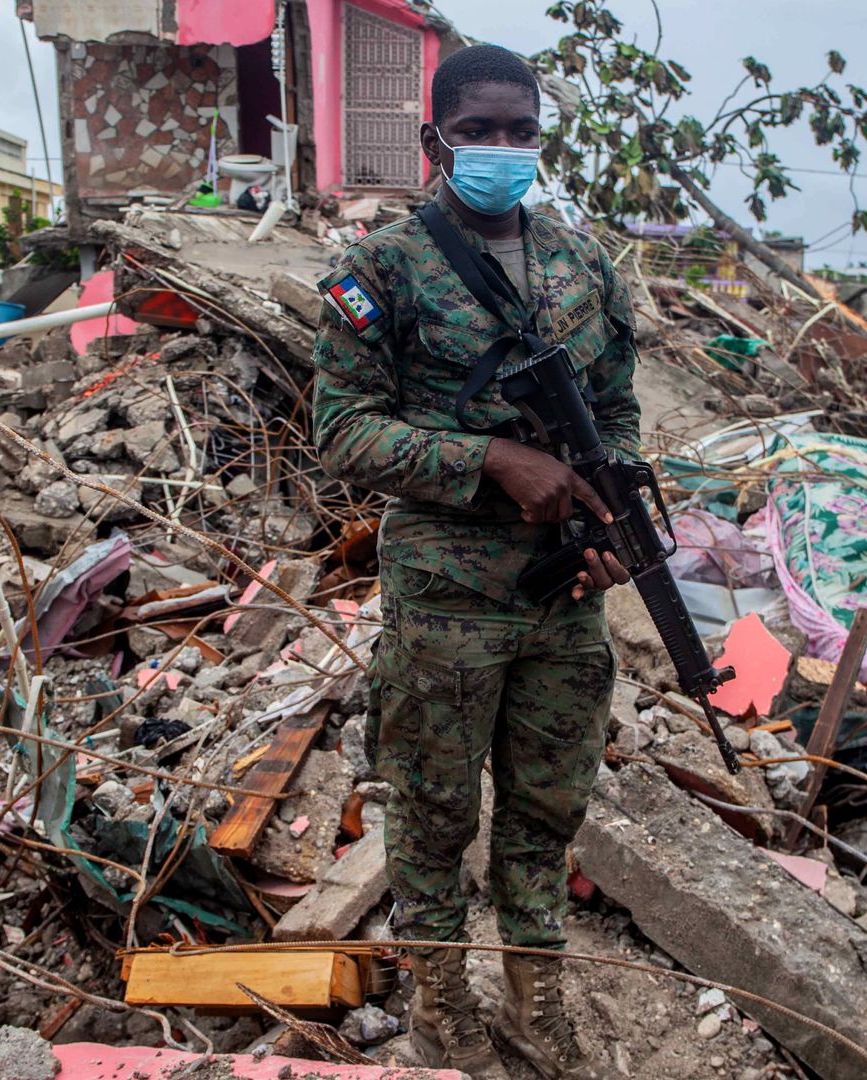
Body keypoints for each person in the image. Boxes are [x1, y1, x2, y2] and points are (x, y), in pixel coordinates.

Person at [311, 44, 638, 1080]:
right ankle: (443, 1004)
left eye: (521, 131)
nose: (502, 149)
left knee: (549, 805)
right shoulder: (385, 269)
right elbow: (341, 432)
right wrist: (491, 459)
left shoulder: (582, 264)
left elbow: (619, 408)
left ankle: (536, 989)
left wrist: (616, 519)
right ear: (434, 142)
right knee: (436, 809)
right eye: (479, 131)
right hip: (446, 596)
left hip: (562, 598)